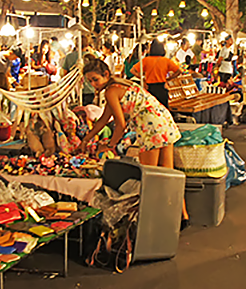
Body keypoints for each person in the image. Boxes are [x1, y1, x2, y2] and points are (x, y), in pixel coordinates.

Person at [79, 55, 189, 225]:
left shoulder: (110, 91)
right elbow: (103, 119)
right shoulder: (119, 86)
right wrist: (86, 139)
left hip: (150, 126)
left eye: (95, 79)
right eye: (90, 81)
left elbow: (120, 125)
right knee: (169, 174)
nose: (93, 84)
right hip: (163, 120)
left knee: (148, 178)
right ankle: (182, 217)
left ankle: (151, 221)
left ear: (106, 75)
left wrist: (110, 146)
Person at [132, 40, 181, 108]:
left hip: (150, 88)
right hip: (162, 87)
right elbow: (179, 71)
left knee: (151, 109)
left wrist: (142, 79)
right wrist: (169, 79)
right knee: (163, 110)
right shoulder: (166, 61)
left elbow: (133, 70)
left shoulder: (146, 60)